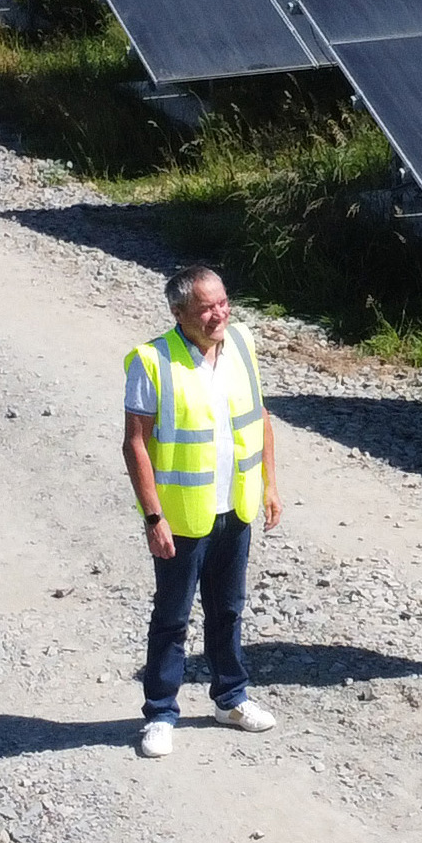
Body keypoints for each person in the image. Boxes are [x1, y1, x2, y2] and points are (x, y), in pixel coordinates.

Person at [122, 264, 284, 758]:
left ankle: (230, 698)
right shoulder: (151, 361)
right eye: (206, 308)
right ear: (179, 313)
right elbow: (135, 444)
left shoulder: (241, 344)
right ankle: (160, 713)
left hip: (235, 507)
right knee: (172, 618)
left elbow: (259, 417)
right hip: (182, 517)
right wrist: (154, 517)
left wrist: (270, 485)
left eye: (222, 303)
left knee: (228, 609)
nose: (219, 315)